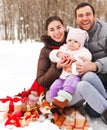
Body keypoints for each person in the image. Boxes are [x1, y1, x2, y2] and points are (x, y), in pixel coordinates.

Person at [36, 15, 107, 124]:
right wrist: (58, 67)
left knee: (89, 76)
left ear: (64, 27)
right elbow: (41, 81)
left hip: (73, 86)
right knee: (82, 85)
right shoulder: (46, 51)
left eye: (59, 27)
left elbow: (86, 57)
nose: (56, 32)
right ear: (47, 32)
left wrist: (88, 66)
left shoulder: (77, 40)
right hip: (55, 93)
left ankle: (103, 102)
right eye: (52, 30)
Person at [74, 2, 107, 123]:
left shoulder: (105, 31)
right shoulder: (77, 35)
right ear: (76, 19)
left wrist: (94, 65)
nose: (85, 18)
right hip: (97, 81)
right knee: (91, 109)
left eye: (88, 14)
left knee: (93, 109)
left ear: (94, 15)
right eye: (80, 15)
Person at [49, 27, 92, 109]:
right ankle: (54, 103)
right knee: (54, 86)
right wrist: (59, 54)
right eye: (70, 40)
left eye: (75, 41)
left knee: (71, 81)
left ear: (81, 44)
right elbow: (52, 55)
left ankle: (65, 96)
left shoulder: (82, 51)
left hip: (74, 75)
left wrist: (75, 58)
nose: (72, 43)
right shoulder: (64, 49)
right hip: (62, 77)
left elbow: (88, 56)